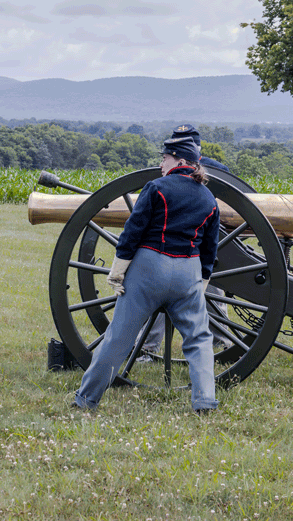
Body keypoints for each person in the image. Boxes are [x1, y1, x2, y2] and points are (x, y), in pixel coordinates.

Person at [74, 136, 221, 412]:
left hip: (150, 268)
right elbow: (210, 248)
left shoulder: (156, 187)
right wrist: (201, 282)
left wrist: (118, 270)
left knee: (118, 338)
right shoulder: (209, 198)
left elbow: (133, 231)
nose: (161, 164)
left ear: (179, 160)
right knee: (199, 339)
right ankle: (204, 401)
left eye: (164, 158)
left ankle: (86, 399)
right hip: (188, 270)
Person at [138, 124, 232, 360]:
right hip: (185, 244)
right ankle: (148, 347)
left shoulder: (217, 170)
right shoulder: (169, 168)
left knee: (212, 294)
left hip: (203, 242)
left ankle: (222, 342)